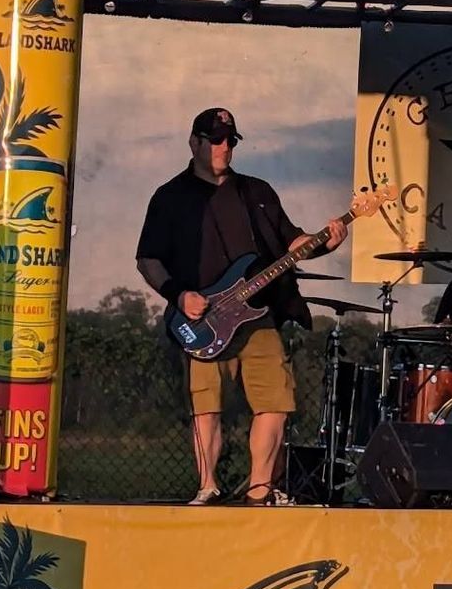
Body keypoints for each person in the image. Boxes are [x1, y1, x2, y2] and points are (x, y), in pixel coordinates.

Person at [136, 107, 346, 505]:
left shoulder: (257, 193)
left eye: (230, 140)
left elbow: (292, 242)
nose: (224, 147)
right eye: (215, 140)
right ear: (194, 142)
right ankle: (208, 486)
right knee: (206, 407)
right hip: (203, 318)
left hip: (259, 317)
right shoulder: (170, 196)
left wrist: (327, 240)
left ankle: (259, 490)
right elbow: (148, 259)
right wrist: (179, 295)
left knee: (276, 402)